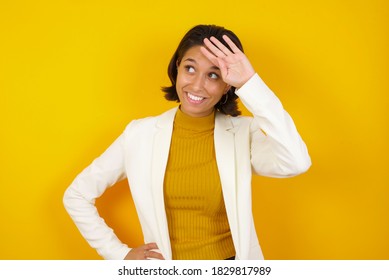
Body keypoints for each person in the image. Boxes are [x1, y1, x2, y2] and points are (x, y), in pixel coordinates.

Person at [63, 24, 311, 260]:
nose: (197, 85)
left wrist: (250, 83)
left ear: (227, 86)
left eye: (213, 75)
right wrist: (119, 254)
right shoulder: (140, 134)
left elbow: (296, 163)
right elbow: (76, 195)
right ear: (178, 67)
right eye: (190, 69)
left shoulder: (244, 133)